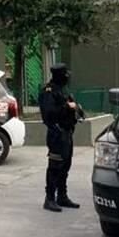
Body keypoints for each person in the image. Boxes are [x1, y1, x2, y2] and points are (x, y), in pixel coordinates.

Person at [39, 63, 84, 212]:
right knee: (55, 166)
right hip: (56, 133)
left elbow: (74, 106)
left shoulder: (63, 90)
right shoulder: (49, 91)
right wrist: (67, 107)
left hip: (67, 132)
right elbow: (49, 113)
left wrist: (76, 108)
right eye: (65, 75)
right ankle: (50, 198)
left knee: (65, 165)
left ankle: (62, 196)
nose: (67, 78)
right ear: (59, 75)